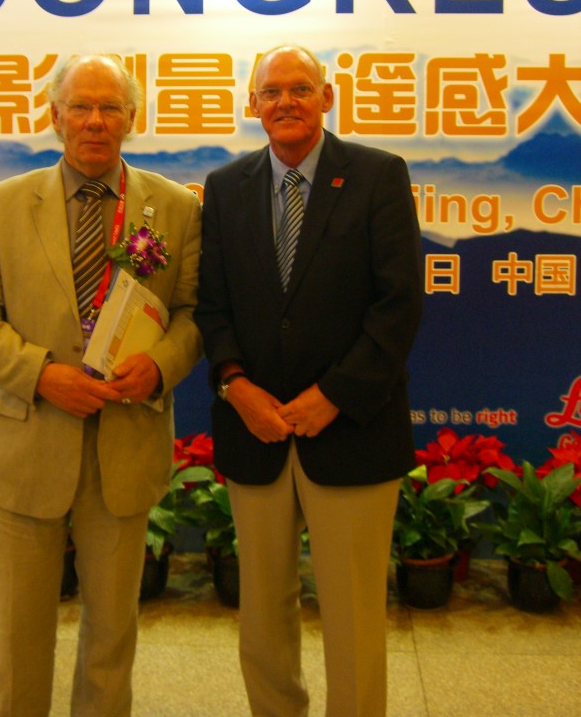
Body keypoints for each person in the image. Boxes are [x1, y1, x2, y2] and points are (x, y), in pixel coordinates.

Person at [0, 54, 202, 717]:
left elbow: (193, 315)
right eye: (80, 106)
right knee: (20, 633)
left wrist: (160, 365)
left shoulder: (175, 208)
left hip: (126, 443)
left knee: (112, 634)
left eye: (109, 107)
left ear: (131, 117)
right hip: (30, 443)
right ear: (55, 115)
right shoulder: (4, 205)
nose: (95, 120)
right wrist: (41, 374)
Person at [195, 43, 423, 717]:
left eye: (300, 88)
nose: (285, 102)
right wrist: (235, 385)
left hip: (352, 430)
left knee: (353, 616)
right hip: (255, 430)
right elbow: (211, 304)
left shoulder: (377, 175)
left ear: (327, 97)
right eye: (271, 91)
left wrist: (334, 396)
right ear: (253, 104)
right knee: (262, 613)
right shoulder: (226, 186)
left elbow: (399, 304)